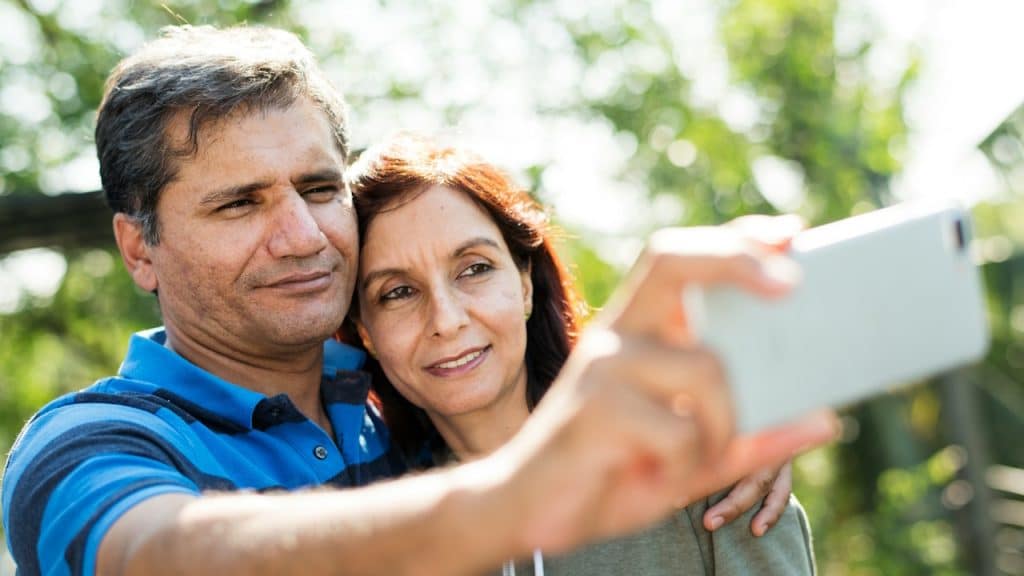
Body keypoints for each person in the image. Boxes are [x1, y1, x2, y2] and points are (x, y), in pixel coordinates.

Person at [0, 25, 837, 576]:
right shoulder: (88, 445)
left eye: (320, 188)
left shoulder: (393, 393)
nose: (301, 235)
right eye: (239, 203)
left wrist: (709, 423)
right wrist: (516, 495)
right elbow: (168, 554)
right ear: (139, 246)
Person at [343, 134, 816, 575]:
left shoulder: (695, 469)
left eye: (475, 269)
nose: (446, 320)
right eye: (399, 292)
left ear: (525, 283)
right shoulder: (388, 540)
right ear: (364, 329)